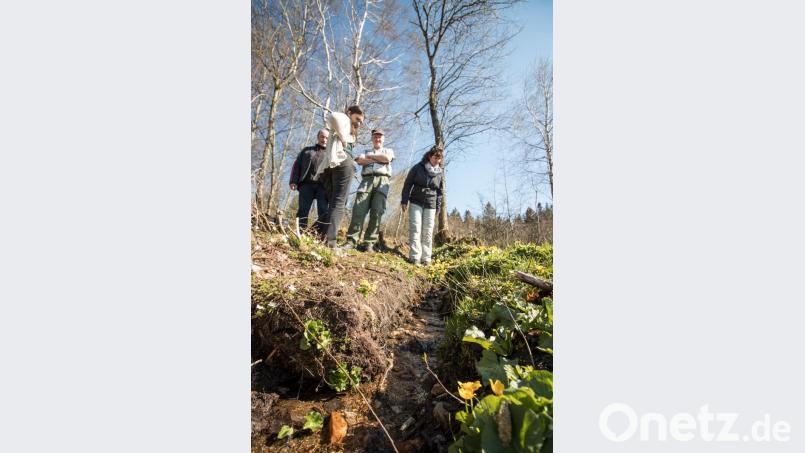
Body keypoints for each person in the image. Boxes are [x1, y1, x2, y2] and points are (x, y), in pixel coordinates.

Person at [314, 105, 364, 249]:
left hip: (331, 166)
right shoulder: (344, 118)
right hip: (342, 163)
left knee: (334, 204)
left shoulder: (349, 128)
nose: (359, 123)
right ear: (349, 113)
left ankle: (318, 234)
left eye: (361, 122)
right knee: (339, 203)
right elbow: (333, 116)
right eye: (358, 118)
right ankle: (331, 243)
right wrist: (343, 138)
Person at [344, 129, 394, 252]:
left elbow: (387, 158)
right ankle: (351, 241)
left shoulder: (388, 150)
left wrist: (370, 157)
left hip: (382, 180)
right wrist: (377, 159)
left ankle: (369, 243)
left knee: (377, 212)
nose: (378, 139)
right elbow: (360, 160)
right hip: (366, 181)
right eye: (375, 136)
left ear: (383, 139)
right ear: (372, 138)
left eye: (380, 137)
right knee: (358, 210)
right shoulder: (365, 151)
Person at [401, 146, 444, 265]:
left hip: (431, 204)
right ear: (430, 156)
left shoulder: (440, 173)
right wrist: (404, 200)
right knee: (415, 228)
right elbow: (408, 184)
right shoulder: (418, 167)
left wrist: (438, 206)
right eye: (435, 157)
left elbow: (440, 192)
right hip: (416, 201)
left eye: (439, 158)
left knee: (428, 231)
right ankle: (415, 257)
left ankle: (426, 258)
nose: (437, 160)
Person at [288, 129, 329, 236]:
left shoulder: (331, 154)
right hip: (306, 184)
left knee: (323, 211)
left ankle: (319, 235)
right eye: (322, 137)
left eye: (327, 138)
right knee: (303, 210)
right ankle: (299, 232)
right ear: (318, 137)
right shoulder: (307, 150)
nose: (324, 139)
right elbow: (296, 165)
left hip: (323, 187)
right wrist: (293, 181)